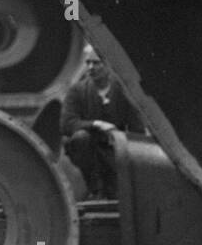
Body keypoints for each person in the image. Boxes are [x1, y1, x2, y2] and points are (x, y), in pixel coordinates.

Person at [61, 44, 145, 200]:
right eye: (88, 63)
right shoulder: (77, 91)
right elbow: (67, 123)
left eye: (96, 63)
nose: (90, 67)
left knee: (118, 193)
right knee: (80, 137)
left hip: (115, 149)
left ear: (108, 64)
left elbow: (136, 127)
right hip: (88, 150)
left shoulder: (123, 91)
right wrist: (96, 124)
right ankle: (94, 188)